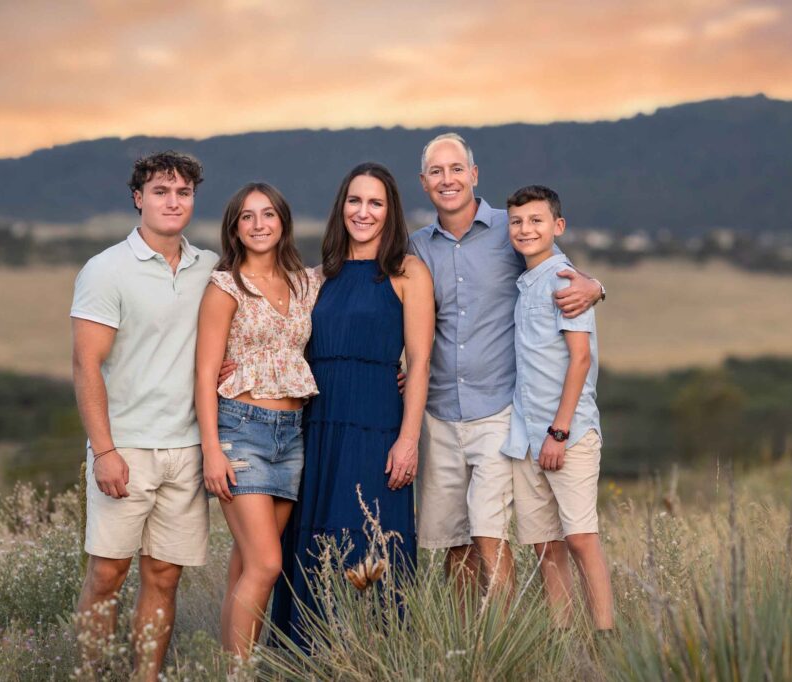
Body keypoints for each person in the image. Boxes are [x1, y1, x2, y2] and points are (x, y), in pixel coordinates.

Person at [409, 133, 605, 599]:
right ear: (423, 183)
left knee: (490, 537)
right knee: (455, 544)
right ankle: (468, 648)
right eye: (436, 171)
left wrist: (596, 285)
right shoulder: (418, 246)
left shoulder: (510, 228)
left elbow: (560, 272)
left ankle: (504, 641)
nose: (447, 179)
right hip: (438, 411)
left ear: (474, 175)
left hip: (498, 409)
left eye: (456, 168)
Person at [271, 162, 435, 649]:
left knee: (370, 535)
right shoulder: (315, 277)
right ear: (341, 206)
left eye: (376, 203)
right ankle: (306, 658)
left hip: (377, 427)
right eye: (355, 201)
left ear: (391, 212)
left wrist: (408, 440)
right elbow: (280, 345)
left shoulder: (407, 272)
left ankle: (376, 656)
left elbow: (421, 362)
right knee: (311, 540)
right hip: (316, 428)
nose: (364, 212)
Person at [71, 151, 217, 678]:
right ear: (139, 198)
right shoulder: (106, 269)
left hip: (188, 450)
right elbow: (86, 365)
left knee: (163, 576)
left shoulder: (210, 267)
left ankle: (145, 677)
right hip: (125, 448)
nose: (172, 201)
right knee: (107, 574)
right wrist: (104, 452)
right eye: (160, 191)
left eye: (182, 192)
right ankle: (92, 675)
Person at [194, 182, 322, 659]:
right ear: (235, 228)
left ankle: (228, 664)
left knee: (248, 563)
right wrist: (211, 449)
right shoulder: (225, 286)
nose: (258, 224)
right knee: (267, 563)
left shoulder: (304, 282)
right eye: (247, 217)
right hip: (240, 430)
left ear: (283, 222)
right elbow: (205, 372)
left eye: (268, 215)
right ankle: (240, 673)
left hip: (292, 435)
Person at [500, 184, 614, 630]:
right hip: (527, 439)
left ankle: (605, 636)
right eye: (517, 221)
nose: (525, 229)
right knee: (545, 547)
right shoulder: (527, 282)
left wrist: (559, 432)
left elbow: (580, 358)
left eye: (536, 220)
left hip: (566, 435)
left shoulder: (566, 281)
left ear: (557, 226)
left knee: (582, 538)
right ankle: (562, 640)